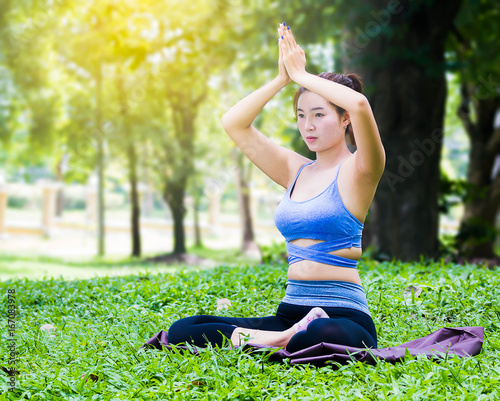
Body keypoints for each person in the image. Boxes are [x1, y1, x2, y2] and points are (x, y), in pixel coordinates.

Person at [167, 23, 385, 353]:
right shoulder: (294, 170)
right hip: (291, 314)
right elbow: (233, 123)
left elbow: (360, 106)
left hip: (343, 317)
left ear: (344, 121)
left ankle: (276, 341)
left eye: (319, 114)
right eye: (301, 115)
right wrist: (282, 80)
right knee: (185, 329)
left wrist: (303, 75)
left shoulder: (361, 170)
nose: (308, 126)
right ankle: (280, 339)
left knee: (320, 335)